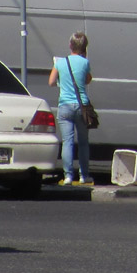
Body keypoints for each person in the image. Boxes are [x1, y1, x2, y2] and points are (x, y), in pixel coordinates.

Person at [48, 31, 94, 186]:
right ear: (84, 47)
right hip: (82, 106)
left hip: (65, 106)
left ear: (70, 45)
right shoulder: (85, 63)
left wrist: (62, 81)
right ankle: (84, 175)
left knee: (67, 142)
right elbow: (88, 80)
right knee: (83, 142)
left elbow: (51, 82)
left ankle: (68, 176)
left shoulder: (60, 63)